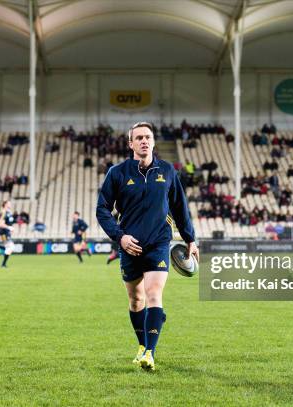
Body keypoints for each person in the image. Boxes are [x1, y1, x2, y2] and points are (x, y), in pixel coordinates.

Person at [96, 121, 198, 371]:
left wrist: (190, 238)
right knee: (135, 298)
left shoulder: (168, 171)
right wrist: (120, 237)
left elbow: (179, 206)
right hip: (129, 245)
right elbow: (102, 210)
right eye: (139, 137)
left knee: (154, 294)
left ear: (153, 141)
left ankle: (149, 353)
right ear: (130, 143)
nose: (144, 141)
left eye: (148, 137)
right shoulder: (117, 173)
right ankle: (143, 344)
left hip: (159, 242)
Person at [0, 200, 15, 268]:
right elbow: (0, 224)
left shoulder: (9, 212)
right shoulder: (3, 212)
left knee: (8, 247)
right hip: (3, 232)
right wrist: (9, 227)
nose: (10, 204)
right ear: (5, 204)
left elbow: (8, 222)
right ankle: (3, 264)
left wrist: (11, 228)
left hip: (6, 232)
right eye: (9, 203)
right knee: (10, 247)